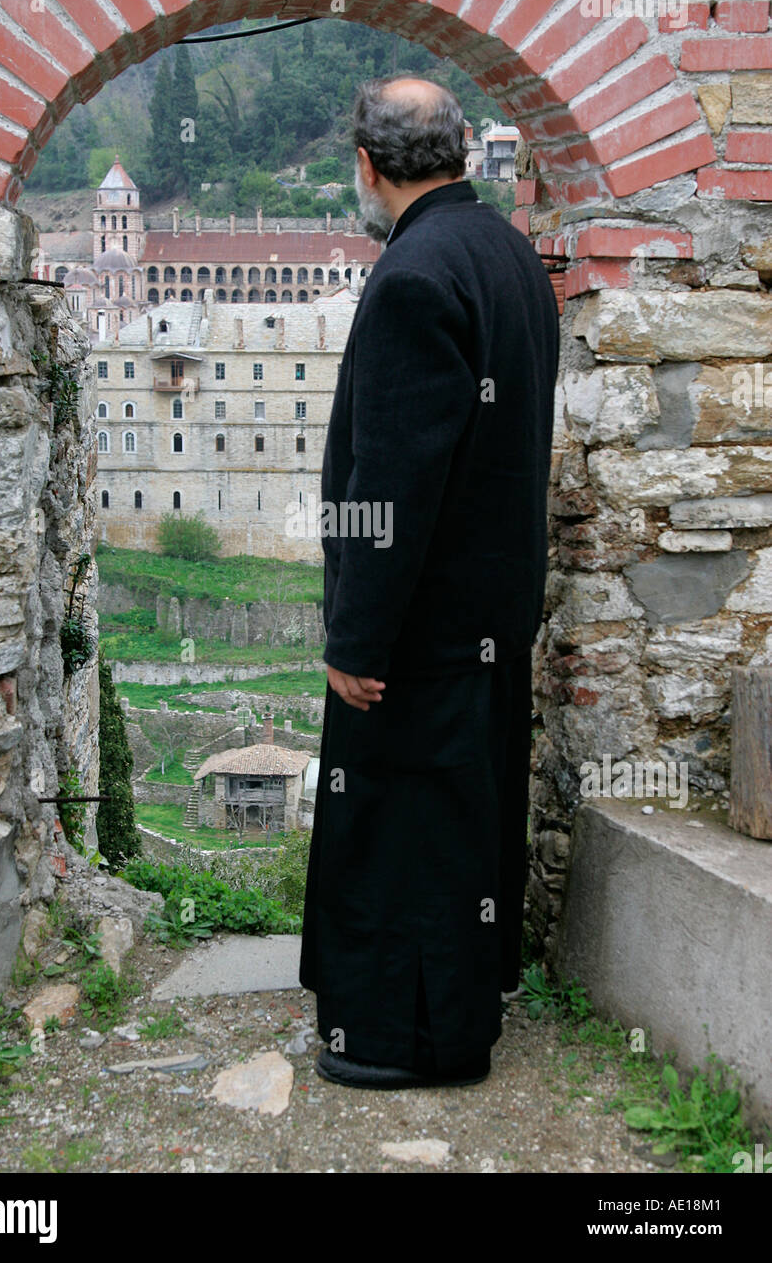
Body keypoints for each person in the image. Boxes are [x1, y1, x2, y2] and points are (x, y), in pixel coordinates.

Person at [299, 75, 560, 1089]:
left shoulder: (412, 277)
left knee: (400, 831)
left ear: (367, 168)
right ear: (459, 151)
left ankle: (409, 1041)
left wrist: (354, 639)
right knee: (463, 823)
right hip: (488, 610)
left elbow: (394, 483)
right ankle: (463, 1001)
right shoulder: (506, 254)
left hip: (420, 626)